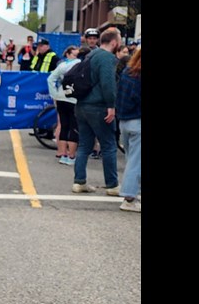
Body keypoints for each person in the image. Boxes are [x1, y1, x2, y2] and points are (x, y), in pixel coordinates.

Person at [71, 27, 122, 195]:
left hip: (82, 105)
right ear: (114, 42)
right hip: (99, 106)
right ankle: (112, 184)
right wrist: (111, 106)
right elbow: (108, 84)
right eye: (119, 40)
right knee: (108, 145)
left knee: (84, 145)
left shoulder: (91, 55)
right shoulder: (107, 58)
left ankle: (79, 181)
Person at [116, 47, 141, 212]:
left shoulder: (127, 72)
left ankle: (131, 192)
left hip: (125, 121)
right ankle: (129, 198)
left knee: (131, 159)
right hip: (138, 122)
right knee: (135, 162)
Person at [46, 45, 80, 165]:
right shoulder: (79, 65)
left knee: (64, 125)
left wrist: (54, 94)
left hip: (61, 97)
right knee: (73, 127)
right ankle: (71, 156)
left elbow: (50, 79)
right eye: (76, 54)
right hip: (74, 99)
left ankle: (63, 153)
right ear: (69, 54)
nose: (77, 57)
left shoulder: (62, 65)